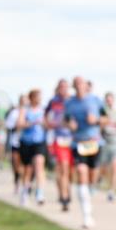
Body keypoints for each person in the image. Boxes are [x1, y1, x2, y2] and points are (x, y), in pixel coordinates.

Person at [64, 76, 104, 229]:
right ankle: (87, 215)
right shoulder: (69, 103)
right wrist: (69, 125)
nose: (79, 86)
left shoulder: (96, 100)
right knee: (81, 172)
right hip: (78, 143)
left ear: (86, 86)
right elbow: (65, 120)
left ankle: (91, 188)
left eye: (81, 83)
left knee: (92, 176)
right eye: (76, 84)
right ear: (74, 86)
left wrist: (96, 120)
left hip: (94, 142)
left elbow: (106, 118)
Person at [45, 79, 74, 212]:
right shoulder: (53, 102)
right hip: (58, 139)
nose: (63, 89)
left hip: (72, 140)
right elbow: (45, 117)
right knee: (63, 167)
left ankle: (67, 189)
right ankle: (64, 197)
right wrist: (50, 124)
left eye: (65, 87)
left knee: (70, 172)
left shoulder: (73, 101)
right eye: (61, 87)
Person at [17, 89, 47, 206]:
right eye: (37, 97)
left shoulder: (43, 110)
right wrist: (31, 123)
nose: (39, 99)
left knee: (39, 164)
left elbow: (48, 123)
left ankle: (40, 192)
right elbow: (19, 124)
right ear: (32, 98)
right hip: (26, 142)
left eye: (40, 97)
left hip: (39, 141)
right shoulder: (25, 110)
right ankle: (25, 192)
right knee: (28, 169)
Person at [5, 98, 24, 195]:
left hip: (28, 143)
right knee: (16, 164)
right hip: (16, 142)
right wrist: (17, 126)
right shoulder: (14, 113)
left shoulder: (30, 112)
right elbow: (8, 126)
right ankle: (17, 183)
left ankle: (27, 185)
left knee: (27, 166)